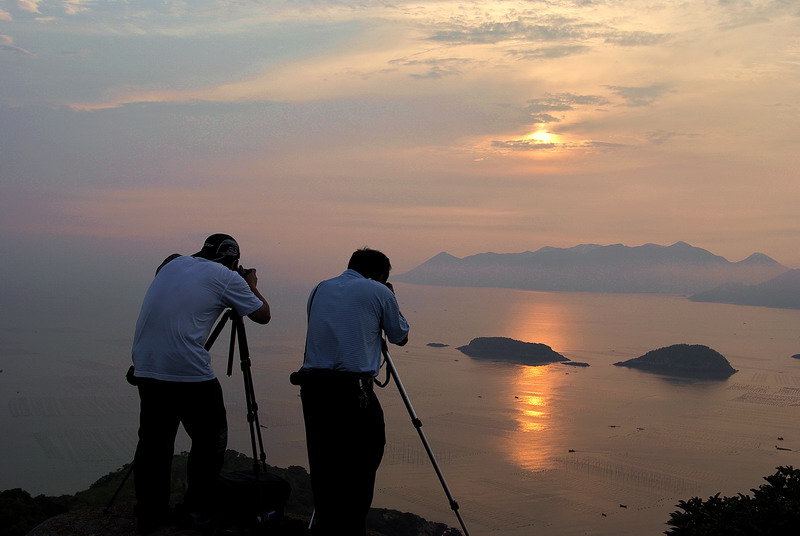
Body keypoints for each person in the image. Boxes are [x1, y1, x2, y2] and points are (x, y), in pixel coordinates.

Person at [130, 234, 271, 534]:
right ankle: (197, 512)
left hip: (146, 365)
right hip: (187, 370)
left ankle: (150, 512)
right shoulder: (227, 277)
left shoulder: (172, 262)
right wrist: (249, 283)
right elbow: (262, 315)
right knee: (211, 441)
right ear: (234, 262)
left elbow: (172, 280)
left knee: (154, 442)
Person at [296, 247, 410, 536]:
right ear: (381, 275)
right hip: (352, 390)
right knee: (363, 459)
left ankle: (325, 524)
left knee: (324, 461)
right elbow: (400, 336)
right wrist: (390, 297)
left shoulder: (320, 288)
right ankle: (351, 527)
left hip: (313, 388)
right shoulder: (379, 292)